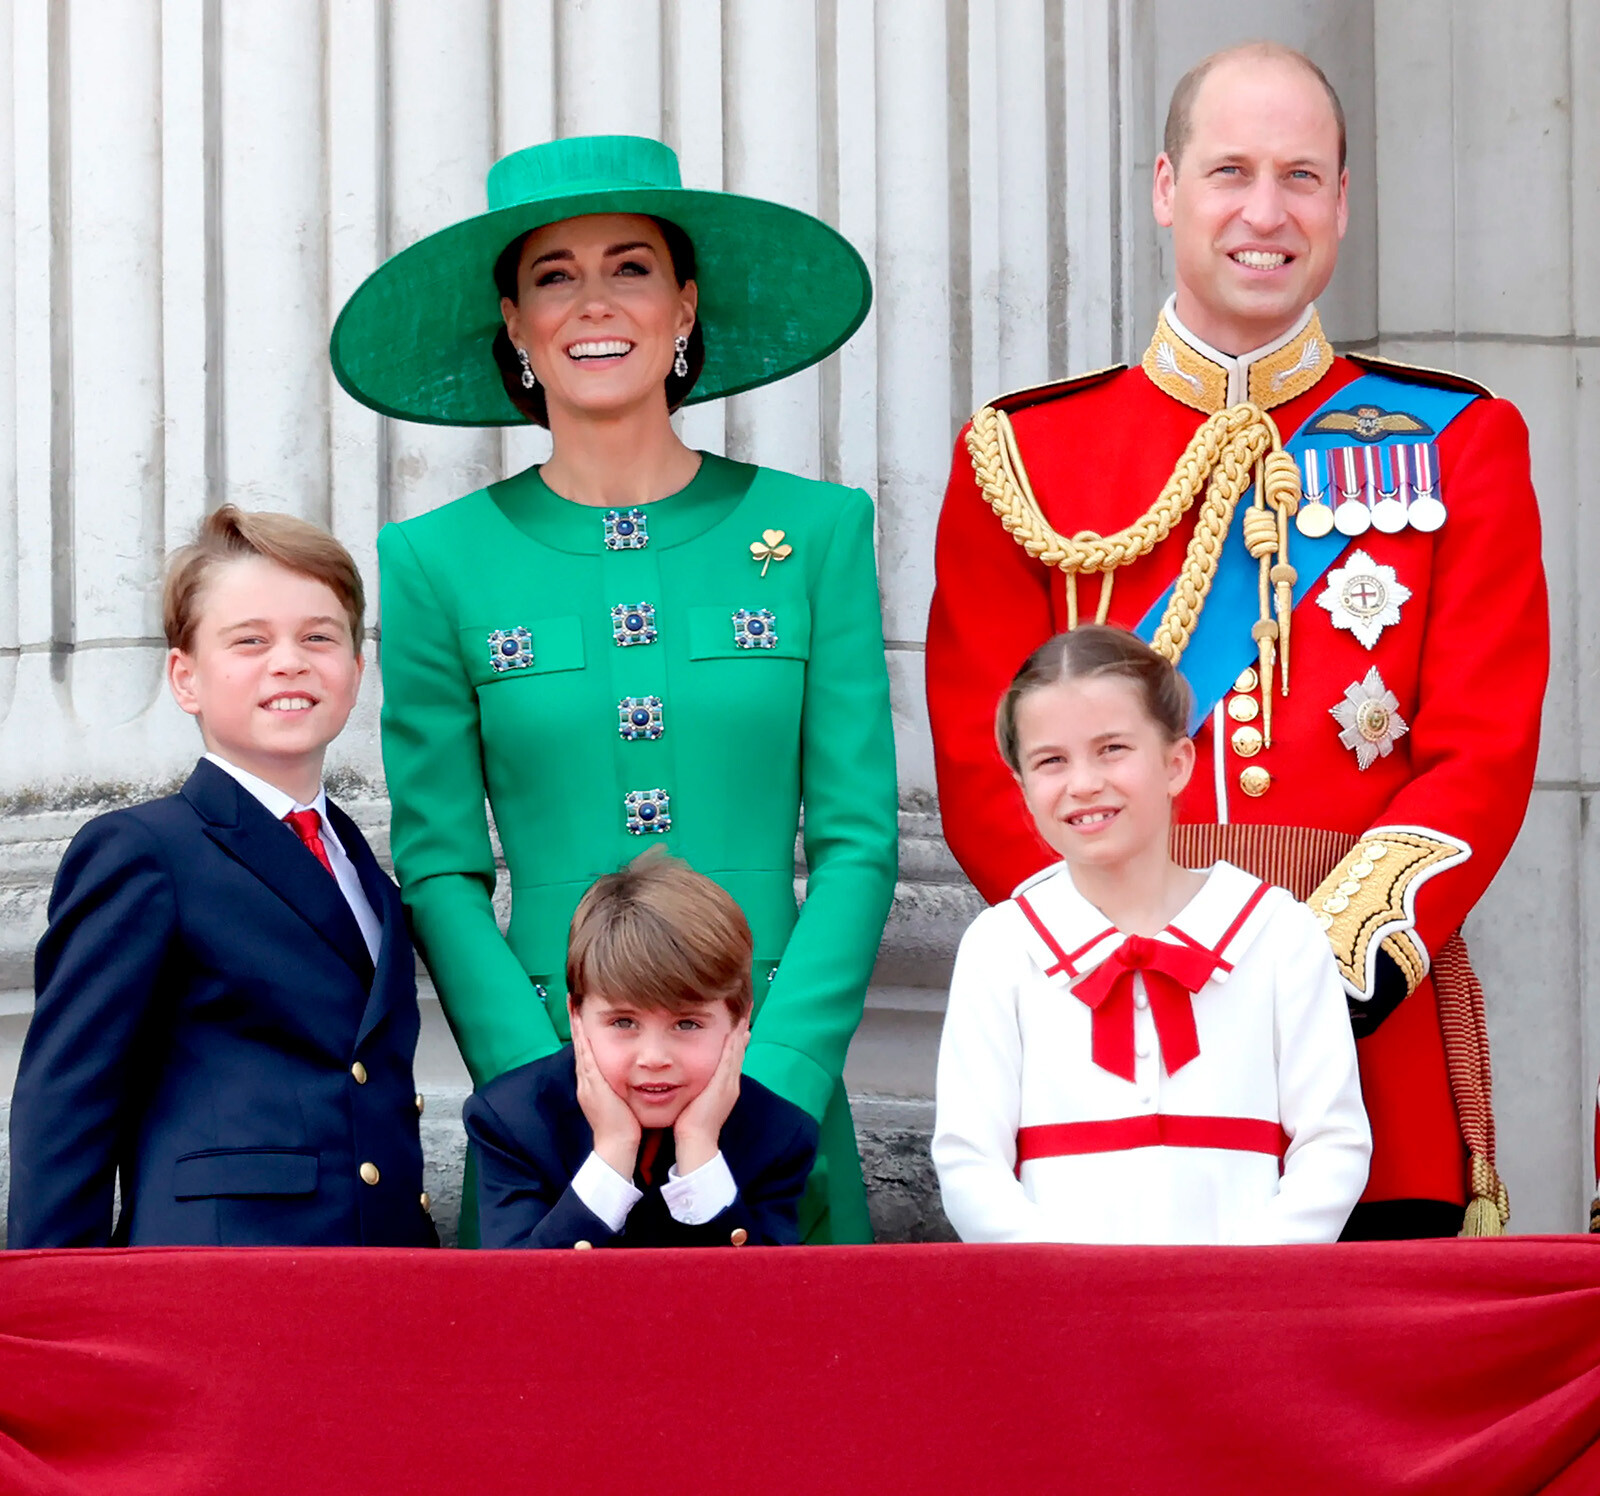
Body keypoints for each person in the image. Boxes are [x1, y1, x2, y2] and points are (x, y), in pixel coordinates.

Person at [926, 43, 1547, 1239]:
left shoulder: (1459, 440)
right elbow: (984, 768)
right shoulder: (1020, 458)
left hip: (1368, 1041)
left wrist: (1301, 977)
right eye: (1229, 172)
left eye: (1301, 176)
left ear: (1342, 203)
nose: (1265, 212)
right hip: (1100, 1048)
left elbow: (1480, 759)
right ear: (1165, 188)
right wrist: (1130, 964)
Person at [329, 134, 898, 1244]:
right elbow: (440, 863)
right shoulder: (435, 559)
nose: (596, 300)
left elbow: (857, 839)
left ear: (685, 304)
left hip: (766, 1067)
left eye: (630, 265)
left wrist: (775, 1069)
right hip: (549, 1087)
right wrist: (543, 1085)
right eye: (555, 274)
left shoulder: (820, 531)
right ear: (514, 322)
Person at [8, 508, 436, 1248]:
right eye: (249, 640)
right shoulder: (143, 851)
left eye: (318, 636)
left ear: (357, 671)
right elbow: (68, 1103)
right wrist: (54, 1320)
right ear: (186, 677)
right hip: (214, 1277)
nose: (289, 661)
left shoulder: (366, 874)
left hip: (379, 1275)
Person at [932, 627, 1369, 1244]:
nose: (1083, 782)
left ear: (1175, 763)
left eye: (1112, 748)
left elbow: (1333, 1142)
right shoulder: (1001, 946)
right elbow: (968, 1158)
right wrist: (1061, 1282)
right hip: (1064, 1315)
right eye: (1051, 760)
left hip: (1248, 1310)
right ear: (1022, 787)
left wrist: (1247, 1281)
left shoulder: (1278, 932)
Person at [465, 853, 818, 1249]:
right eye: (623, 1023)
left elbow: (765, 1301)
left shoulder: (778, 1135)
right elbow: (518, 1297)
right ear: (576, 1016)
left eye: (687, 1024)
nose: (653, 1057)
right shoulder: (513, 1121)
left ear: (739, 1022)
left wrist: (699, 1148)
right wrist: (613, 1152)